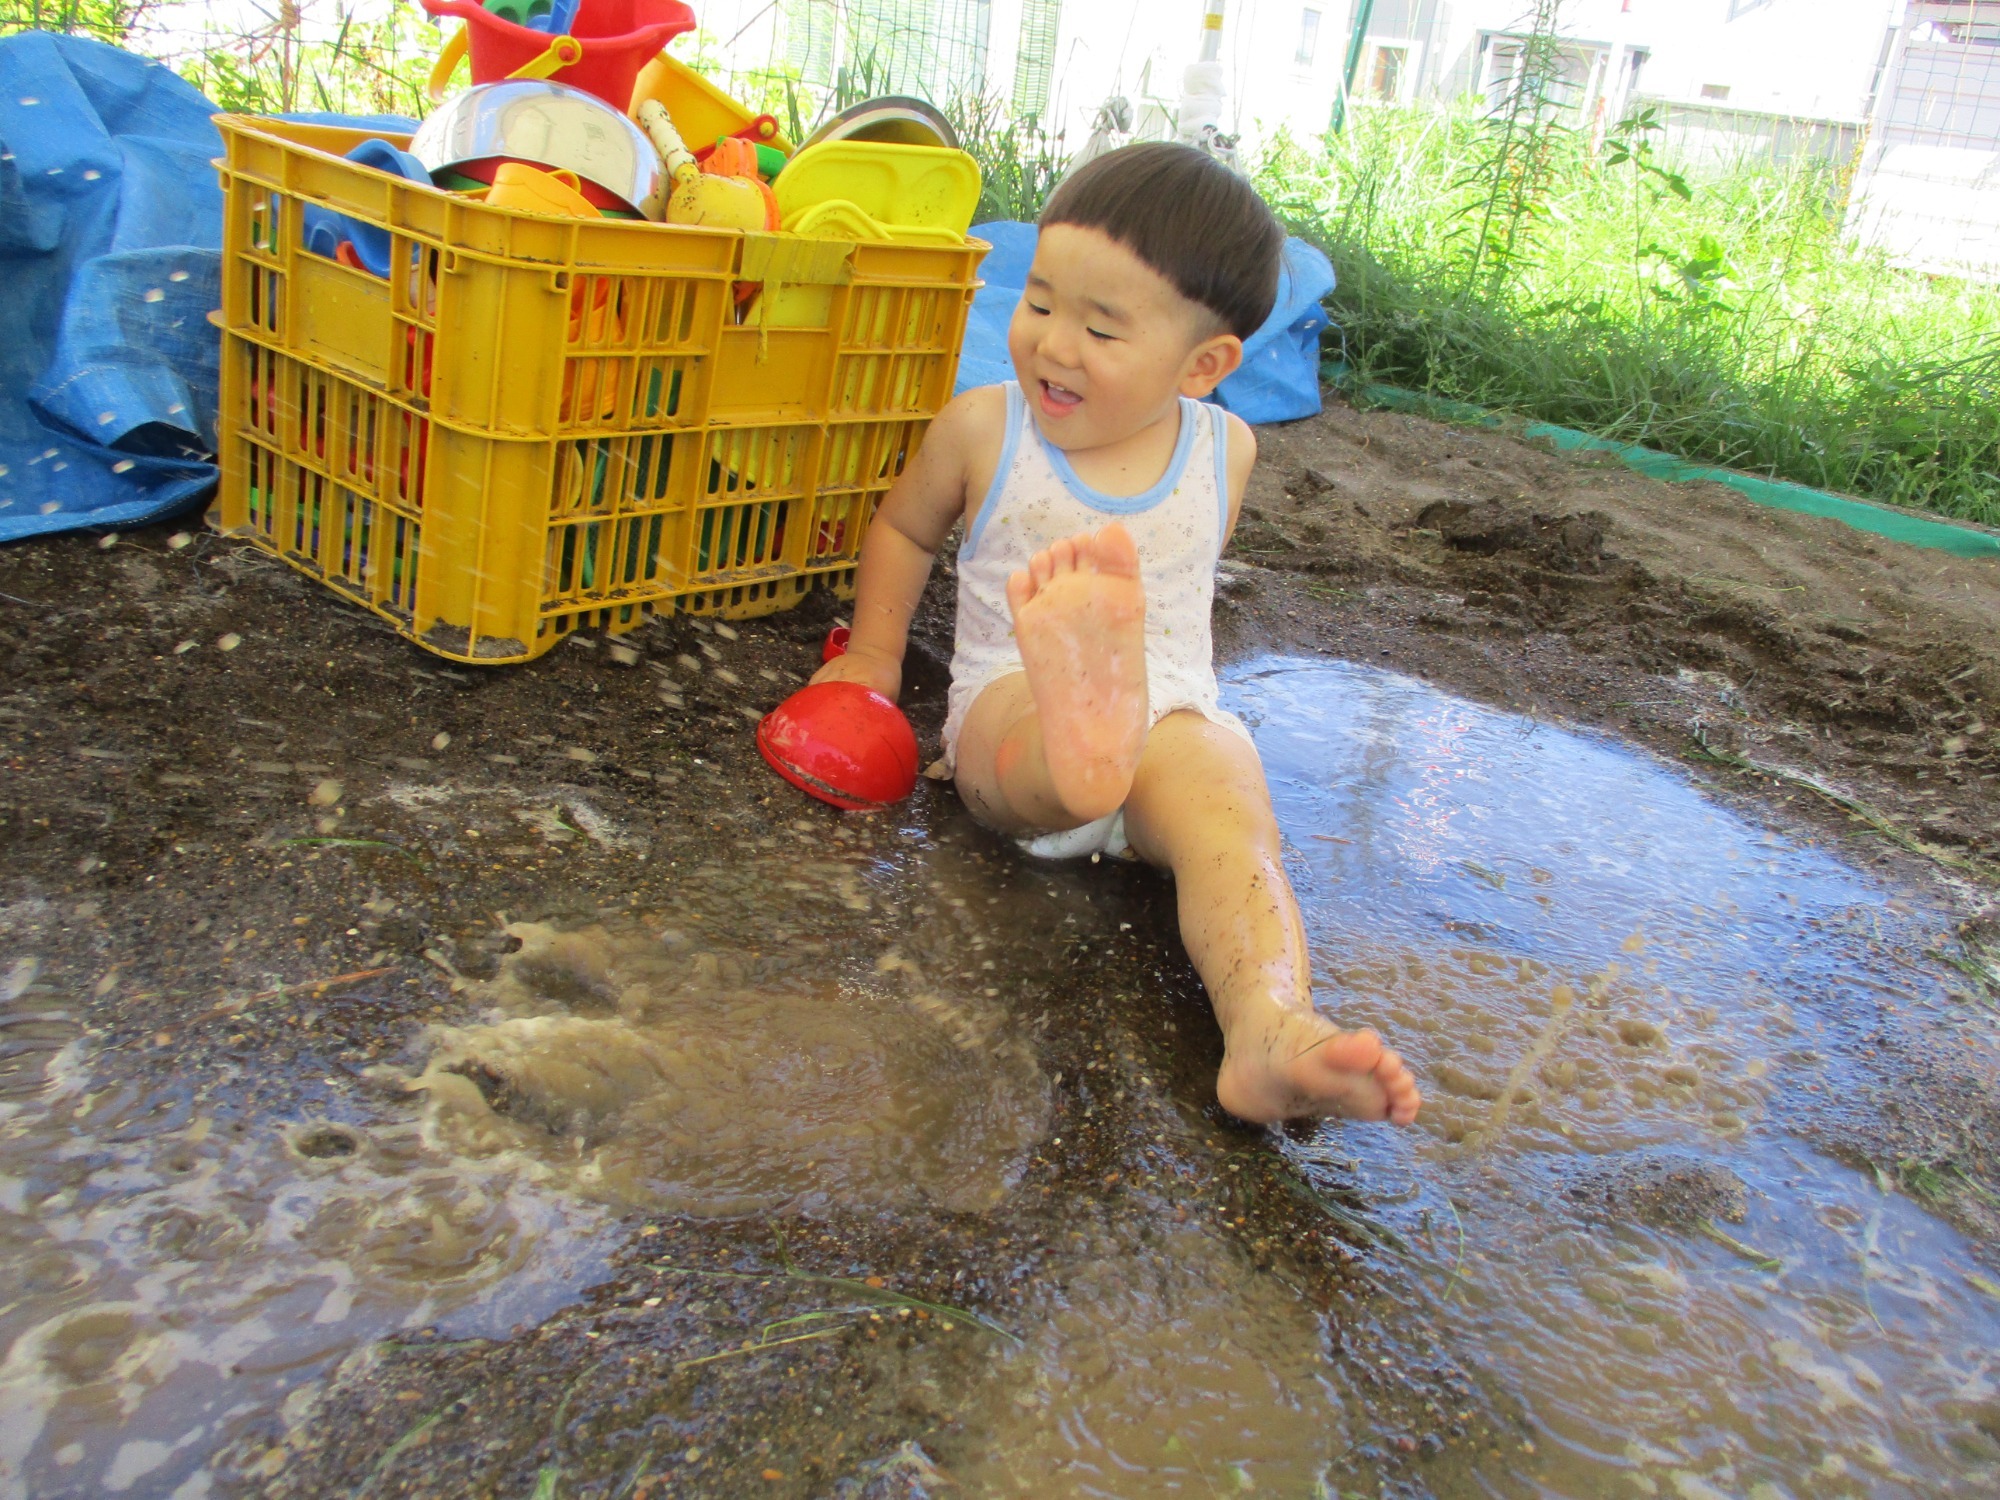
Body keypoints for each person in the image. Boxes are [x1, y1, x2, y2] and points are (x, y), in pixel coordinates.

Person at [811, 142, 1421, 1127]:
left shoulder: (1223, 449)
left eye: (1099, 327)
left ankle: (1268, 1025)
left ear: (1206, 366)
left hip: (1166, 710)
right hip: (1015, 697)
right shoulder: (982, 428)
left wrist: (1147, 725)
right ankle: (1076, 758)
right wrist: (874, 659)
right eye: (1039, 301)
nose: (1053, 344)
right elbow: (903, 528)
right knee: (1033, 743)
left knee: (1228, 814)